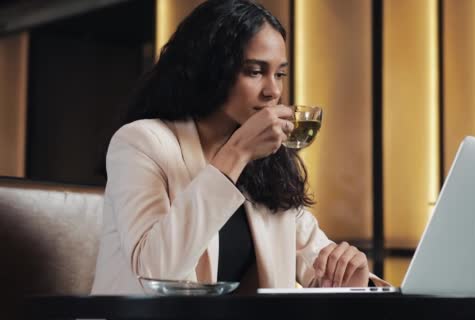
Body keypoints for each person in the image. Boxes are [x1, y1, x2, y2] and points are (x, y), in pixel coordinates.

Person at [91, 0, 388, 294]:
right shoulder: (140, 142)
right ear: (209, 70)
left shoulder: (268, 163)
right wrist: (236, 153)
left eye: (280, 74)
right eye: (255, 71)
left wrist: (354, 278)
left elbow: (321, 269)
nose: (273, 91)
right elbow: (154, 272)